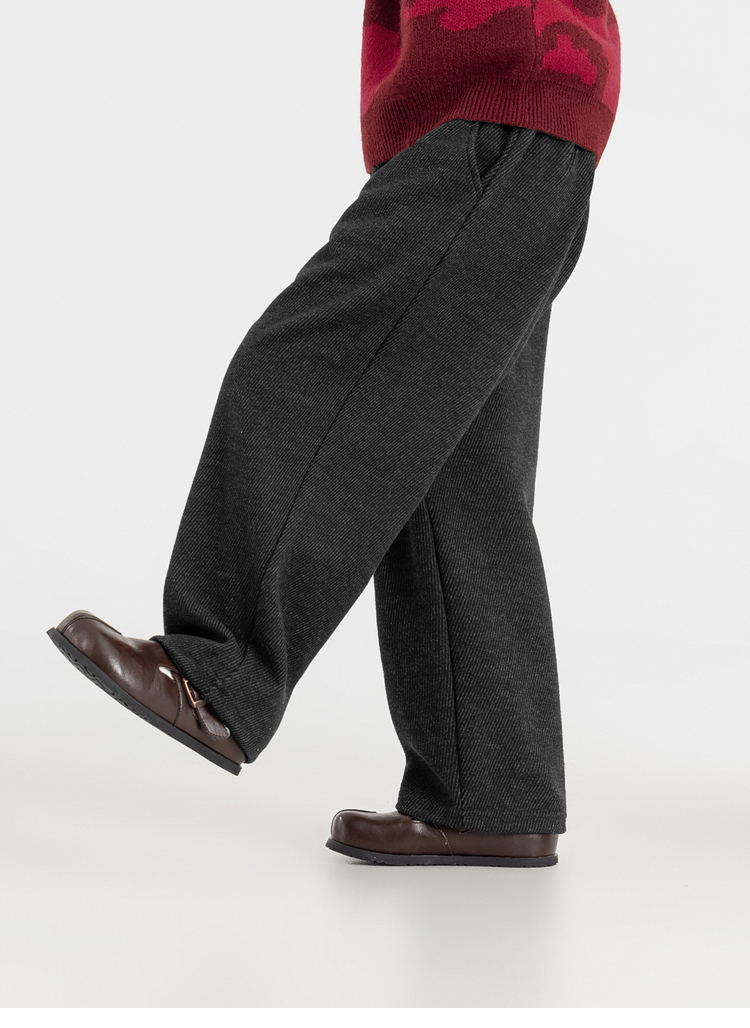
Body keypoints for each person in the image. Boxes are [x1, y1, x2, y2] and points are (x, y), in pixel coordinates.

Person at [47, 1, 621, 867]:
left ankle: (218, 671)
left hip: (503, 92)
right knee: (457, 478)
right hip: (511, 106)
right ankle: (490, 797)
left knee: (308, 364)